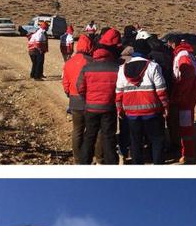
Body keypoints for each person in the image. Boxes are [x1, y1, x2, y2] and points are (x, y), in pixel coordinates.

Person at [116, 38, 169, 165]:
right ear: (147, 51)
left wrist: (119, 109)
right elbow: (161, 89)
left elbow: (119, 92)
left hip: (131, 112)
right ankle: (157, 165)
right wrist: (165, 107)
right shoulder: (153, 66)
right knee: (156, 140)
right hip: (151, 110)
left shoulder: (122, 68)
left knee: (135, 141)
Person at [78, 28, 122, 165]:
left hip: (91, 108)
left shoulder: (87, 67)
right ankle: (110, 165)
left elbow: (80, 88)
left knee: (89, 136)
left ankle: (84, 163)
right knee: (108, 137)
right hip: (109, 108)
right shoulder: (117, 68)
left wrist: (89, 99)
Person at [166, 35, 196, 164]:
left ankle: (188, 155)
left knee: (185, 127)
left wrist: (179, 94)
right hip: (189, 96)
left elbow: (186, 73)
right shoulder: (188, 53)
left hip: (185, 98)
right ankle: (187, 152)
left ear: (172, 43)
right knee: (186, 126)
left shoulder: (182, 55)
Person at [62, 34, 94, 163]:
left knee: (77, 130)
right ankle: (92, 156)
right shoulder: (92, 62)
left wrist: (69, 93)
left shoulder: (69, 62)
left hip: (75, 100)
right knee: (92, 130)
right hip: (91, 100)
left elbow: (65, 82)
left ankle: (77, 157)